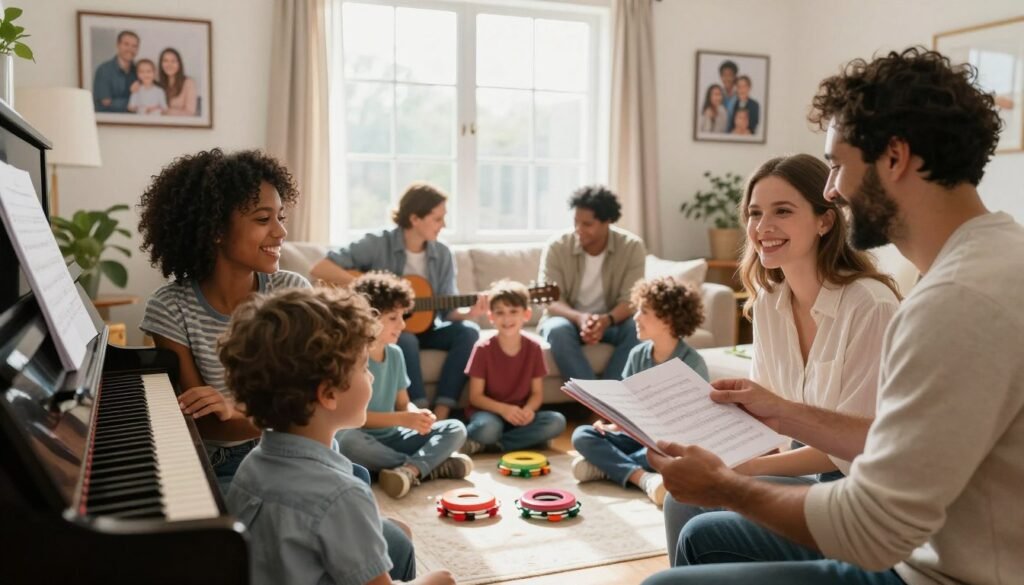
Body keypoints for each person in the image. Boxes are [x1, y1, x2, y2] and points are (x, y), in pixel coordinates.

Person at [643, 47, 1020, 585]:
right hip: (935, 547)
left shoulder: (952, 303)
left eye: (838, 165)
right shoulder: (995, 260)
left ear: (894, 157)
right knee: (700, 536)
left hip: (935, 572)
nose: (832, 190)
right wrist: (780, 412)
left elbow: (871, 530)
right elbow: (889, 446)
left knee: (665, 581)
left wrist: (725, 485)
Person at [660, 153, 901, 563]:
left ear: (824, 221)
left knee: (703, 517)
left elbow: (853, 446)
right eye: (755, 213)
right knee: (679, 500)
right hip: (807, 472)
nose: (762, 227)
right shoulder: (769, 302)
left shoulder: (869, 306)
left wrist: (740, 474)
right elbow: (765, 420)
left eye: (782, 211)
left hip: (861, 490)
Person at [221, 287, 454, 585]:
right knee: (441, 578)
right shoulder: (343, 495)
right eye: (364, 367)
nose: (370, 377)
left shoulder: (253, 462)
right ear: (329, 393)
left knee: (398, 534)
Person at [138, 148, 308, 493]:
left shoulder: (292, 291)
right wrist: (273, 417)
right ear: (216, 229)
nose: (280, 232)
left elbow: (310, 406)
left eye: (281, 218)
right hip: (223, 462)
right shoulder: (171, 307)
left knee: (386, 533)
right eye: (263, 220)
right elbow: (206, 425)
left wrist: (236, 411)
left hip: (297, 452)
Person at [310, 182, 485, 421]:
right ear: (415, 218)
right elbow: (320, 268)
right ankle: (417, 410)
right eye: (437, 219)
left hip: (430, 328)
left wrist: (469, 312)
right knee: (406, 337)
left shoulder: (442, 254)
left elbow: (448, 312)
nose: (443, 225)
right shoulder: (377, 243)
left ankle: (442, 413)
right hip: (390, 329)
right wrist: (366, 283)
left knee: (469, 332)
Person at [571, 276, 709, 506]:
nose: (635, 317)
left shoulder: (692, 363)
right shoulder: (638, 354)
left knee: (666, 457)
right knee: (582, 435)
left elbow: (695, 422)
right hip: (635, 436)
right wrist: (612, 426)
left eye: (644, 311)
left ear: (667, 319)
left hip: (669, 445)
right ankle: (642, 478)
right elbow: (629, 406)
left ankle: (606, 467)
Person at [340, 272, 473, 500]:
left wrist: (415, 414)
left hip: (394, 437)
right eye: (393, 318)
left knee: (455, 428)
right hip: (362, 437)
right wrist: (402, 419)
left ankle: (408, 470)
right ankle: (427, 467)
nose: (402, 324)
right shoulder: (351, 356)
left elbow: (403, 402)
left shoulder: (395, 353)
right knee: (345, 440)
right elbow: (353, 417)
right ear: (368, 317)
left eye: (403, 316)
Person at [538, 185, 645, 383]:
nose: (579, 230)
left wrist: (605, 320)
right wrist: (580, 318)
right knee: (556, 329)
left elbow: (632, 300)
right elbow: (550, 300)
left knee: (636, 327)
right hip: (569, 321)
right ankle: (593, 403)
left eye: (587, 224)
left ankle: (612, 400)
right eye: (575, 222)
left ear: (608, 222)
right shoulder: (557, 246)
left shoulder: (631, 247)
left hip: (613, 322)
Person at [461, 279, 567, 455]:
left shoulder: (534, 348)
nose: (507, 318)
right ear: (491, 317)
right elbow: (476, 397)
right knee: (488, 428)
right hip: (490, 414)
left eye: (513, 312)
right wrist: (504, 410)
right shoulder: (482, 349)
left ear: (526, 314)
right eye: (500, 313)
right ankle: (521, 440)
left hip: (519, 415)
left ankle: (495, 445)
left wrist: (528, 410)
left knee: (556, 421)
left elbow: (537, 394)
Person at [93, 30, 139, 112]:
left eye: (134, 46)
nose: (130, 49)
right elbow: (105, 102)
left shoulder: (139, 71)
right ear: (118, 45)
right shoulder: (104, 70)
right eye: (126, 44)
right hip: (108, 122)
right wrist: (133, 104)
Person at [159, 47, 198, 116]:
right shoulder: (158, 83)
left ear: (179, 64)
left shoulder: (189, 83)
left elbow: (190, 112)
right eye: (165, 61)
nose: (169, 64)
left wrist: (165, 111)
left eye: (173, 61)